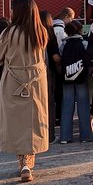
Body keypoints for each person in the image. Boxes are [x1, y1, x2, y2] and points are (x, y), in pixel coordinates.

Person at [0, 0, 51, 182]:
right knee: (34, 119)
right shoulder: (41, 31)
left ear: (18, 12)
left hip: (13, 80)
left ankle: (23, 161)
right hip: (36, 81)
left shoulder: (8, 33)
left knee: (15, 120)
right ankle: (28, 160)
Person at [58, 21, 93, 143]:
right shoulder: (84, 43)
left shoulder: (63, 44)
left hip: (67, 77)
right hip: (81, 77)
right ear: (80, 30)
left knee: (67, 105)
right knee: (83, 105)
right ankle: (86, 136)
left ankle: (65, 136)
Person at [40, 10, 63, 144]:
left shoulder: (35, 33)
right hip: (49, 73)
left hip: (37, 72)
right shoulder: (50, 34)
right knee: (50, 103)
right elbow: (55, 57)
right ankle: (50, 135)